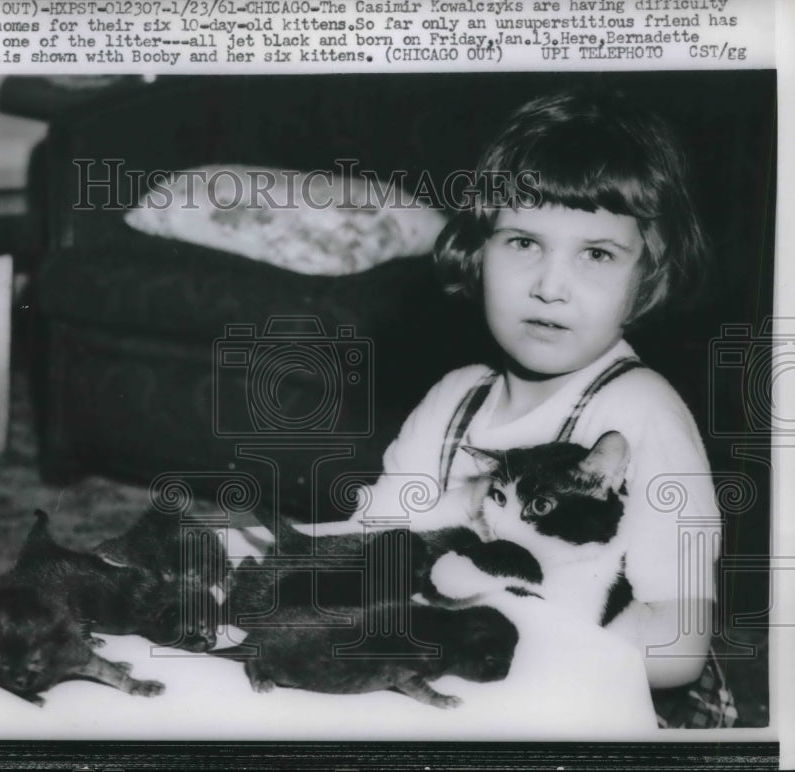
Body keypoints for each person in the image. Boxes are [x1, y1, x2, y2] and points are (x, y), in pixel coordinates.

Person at [306, 89, 733, 728]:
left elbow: (677, 651)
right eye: (523, 243)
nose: (549, 286)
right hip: (460, 674)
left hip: (597, 705)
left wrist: (500, 609)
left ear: (650, 273)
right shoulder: (456, 397)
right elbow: (378, 542)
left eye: (596, 254)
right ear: (478, 251)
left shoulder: (639, 411)